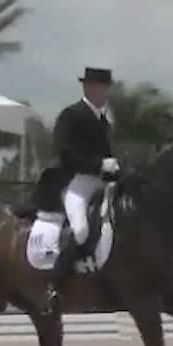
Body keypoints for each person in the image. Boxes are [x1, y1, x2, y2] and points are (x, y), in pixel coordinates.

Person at [34, 66, 120, 309]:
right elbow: (66, 155)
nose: (104, 92)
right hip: (76, 182)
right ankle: (52, 286)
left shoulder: (103, 121)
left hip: (102, 182)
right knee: (80, 229)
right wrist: (98, 164)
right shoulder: (70, 116)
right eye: (100, 87)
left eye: (106, 88)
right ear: (88, 88)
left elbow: (107, 156)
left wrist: (115, 168)